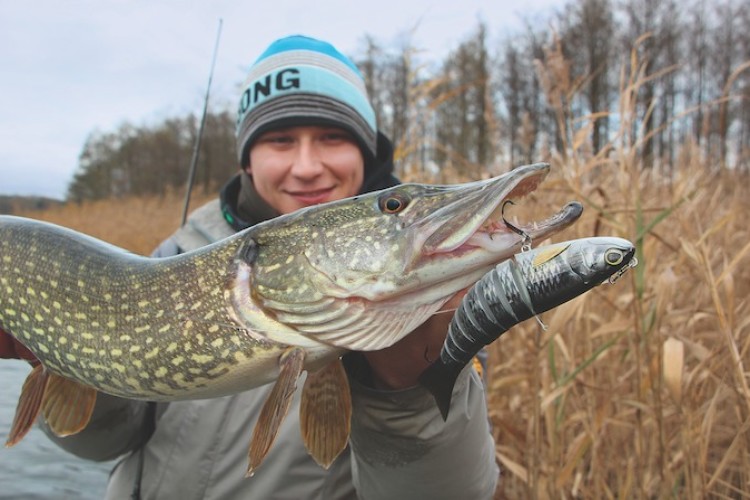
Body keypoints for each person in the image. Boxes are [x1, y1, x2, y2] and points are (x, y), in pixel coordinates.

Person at [0, 35, 498, 499]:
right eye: (280, 140)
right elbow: (98, 442)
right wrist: (61, 354)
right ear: (247, 160)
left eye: (331, 137)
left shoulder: (436, 294)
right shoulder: (174, 254)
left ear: (366, 154)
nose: (306, 166)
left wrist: (408, 387)